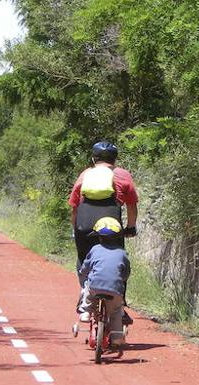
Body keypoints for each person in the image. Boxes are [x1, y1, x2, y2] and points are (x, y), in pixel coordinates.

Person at [69, 141, 138, 287]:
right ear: (115, 159)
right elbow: (131, 205)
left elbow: (74, 207)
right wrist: (130, 227)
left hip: (85, 221)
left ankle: (85, 293)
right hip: (111, 222)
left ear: (94, 158)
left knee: (83, 257)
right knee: (118, 257)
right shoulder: (123, 175)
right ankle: (119, 299)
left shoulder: (85, 175)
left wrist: (76, 229)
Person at [78, 217, 131, 346]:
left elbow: (85, 268)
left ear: (99, 237)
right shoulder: (122, 253)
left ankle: (86, 311)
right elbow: (126, 272)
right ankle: (117, 337)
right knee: (116, 311)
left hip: (95, 288)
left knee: (87, 286)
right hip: (115, 290)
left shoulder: (95, 249)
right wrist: (121, 279)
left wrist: (82, 276)